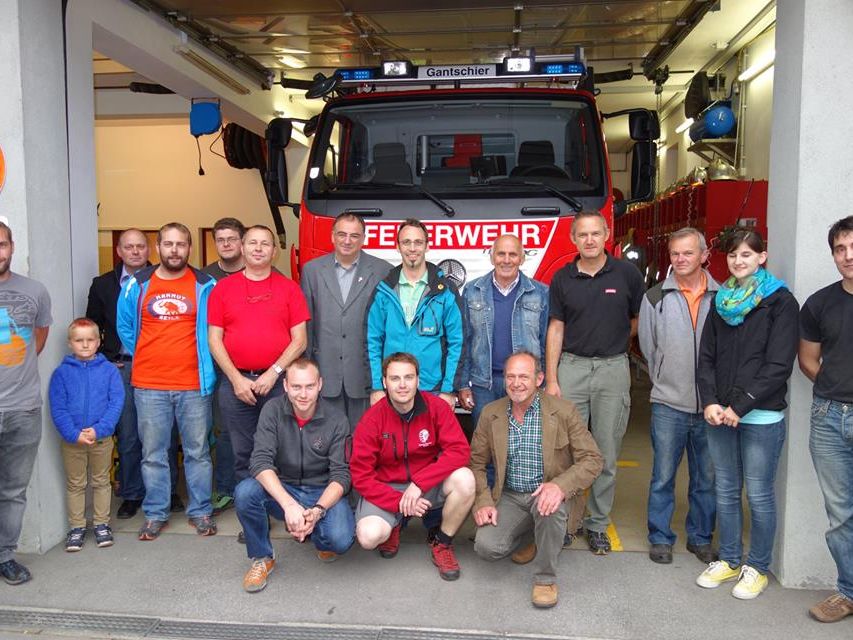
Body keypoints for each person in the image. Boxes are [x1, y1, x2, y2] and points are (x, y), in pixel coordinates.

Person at [695, 227, 798, 600]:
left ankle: (757, 567)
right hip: (720, 414)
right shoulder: (722, 300)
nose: (739, 261)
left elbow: (778, 364)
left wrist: (742, 405)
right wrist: (710, 401)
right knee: (725, 490)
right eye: (733, 255)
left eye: (747, 254)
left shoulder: (780, 302)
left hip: (760, 416)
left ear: (762, 256)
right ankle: (730, 559)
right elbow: (706, 358)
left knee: (758, 494)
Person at [544, 210, 645, 554]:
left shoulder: (627, 274)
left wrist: (614, 341)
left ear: (607, 236)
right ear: (573, 239)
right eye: (582, 235)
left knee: (605, 451)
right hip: (571, 369)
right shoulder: (562, 278)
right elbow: (555, 328)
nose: (589, 240)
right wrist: (553, 378)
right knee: (566, 452)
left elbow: (637, 320)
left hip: (612, 371)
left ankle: (597, 524)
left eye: (595, 234)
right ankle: (568, 521)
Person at [470, 351, 603, 608]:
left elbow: (592, 459)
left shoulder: (563, 411)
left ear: (539, 379)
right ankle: (535, 536)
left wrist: (559, 486)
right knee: (487, 548)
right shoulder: (491, 413)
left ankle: (545, 578)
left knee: (549, 507)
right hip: (510, 495)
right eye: (510, 376)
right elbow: (476, 464)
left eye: (523, 376)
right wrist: (483, 502)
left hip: (546, 491)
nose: (516, 383)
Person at [117, 222, 218, 541]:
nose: (175, 250)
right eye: (168, 244)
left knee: (197, 452)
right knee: (153, 453)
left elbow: (215, 330)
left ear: (190, 248)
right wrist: (149, 355)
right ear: (158, 247)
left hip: (194, 385)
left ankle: (201, 510)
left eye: (181, 244)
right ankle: (156, 512)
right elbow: (126, 327)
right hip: (149, 385)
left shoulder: (206, 284)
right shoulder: (137, 283)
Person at [351, 352, 475, 581]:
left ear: (418, 380)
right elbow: (361, 476)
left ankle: (442, 542)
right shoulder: (372, 419)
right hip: (387, 489)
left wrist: (419, 484)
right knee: (368, 537)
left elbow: (459, 451)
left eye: (408, 377)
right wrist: (398, 501)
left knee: (465, 479)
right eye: (395, 378)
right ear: (384, 382)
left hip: (426, 483)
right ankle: (395, 522)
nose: (402, 385)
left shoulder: (436, 407)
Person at [234, 358, 354, 593]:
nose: (303, 394)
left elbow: (341, 475)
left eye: (309, 386)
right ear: (286, 386)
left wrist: (318, 511)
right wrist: (289, 505)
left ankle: (316, 533)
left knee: (339, 540)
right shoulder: (272, 410)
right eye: (296, 387)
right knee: (245, 492)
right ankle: (262, 557)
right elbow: (259, 461)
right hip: (284, 488)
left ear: (320, 384)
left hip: (321, 490)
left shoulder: (337, 419)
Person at [86, 228, 181, 520]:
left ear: (149, 249)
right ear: (119, 251)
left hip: (161, 366)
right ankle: (131, 493)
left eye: (141, 246)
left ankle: (169, 491)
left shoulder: (164, 280)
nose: (136, 252)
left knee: (164, 434)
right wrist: (105, 360)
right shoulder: (102, 285)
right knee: (128, 434)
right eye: (129, 247)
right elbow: (91, 327)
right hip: (123, 367)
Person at [638, 228, 718, 565]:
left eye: (687, 253)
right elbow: (648, 346)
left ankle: (700, 538)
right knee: (663, 476)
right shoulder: (655, 297)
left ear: (704, 255)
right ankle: (660, 537)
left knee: (706, 479)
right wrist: (663, 377)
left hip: (712, 407)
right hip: (669, 403)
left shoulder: (724, 296)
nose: (680, 260)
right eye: (675, 254)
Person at [208, 225, 309, 489]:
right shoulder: (223, 289)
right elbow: (214, 340)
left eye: (265, 244)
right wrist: (236, 379)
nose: (258, 248)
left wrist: (273, 372)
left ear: (274, 252)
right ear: (243, 248)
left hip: (277, 384)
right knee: (242, 453)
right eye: (252, 243)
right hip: (236, 385)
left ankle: (284, 508)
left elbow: (300, 341)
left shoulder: (289, 289)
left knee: (280, 450)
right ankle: (252, 515)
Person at [798, 215, 853, 622]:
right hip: (829, 417)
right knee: (841, 513)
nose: (848, 256)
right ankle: (848, 592)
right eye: (840, 249)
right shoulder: (819, 303)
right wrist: (836, 385)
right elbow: (807, 360)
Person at [301, 213, 391, 429]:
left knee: (365, 438)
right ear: (332, 236)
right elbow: (307, 324)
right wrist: (307, 369)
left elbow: (388, 326)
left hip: (364, 373)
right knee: (327, 438)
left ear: (363, 239)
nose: (347, 240)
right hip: (325, 371)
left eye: (354, 235)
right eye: (342, 234)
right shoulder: (312, 271)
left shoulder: (383, 270)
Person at [0, 220, 52, 586]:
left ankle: (6, 556)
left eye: (1, 244)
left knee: (13, 491)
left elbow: (39, 339)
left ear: (12, 246)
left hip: (22, 408)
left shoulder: (35, 291)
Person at [366, 219, 463, 408]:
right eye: (406, 242)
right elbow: (372, 341)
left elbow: (457, 342)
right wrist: (377, 387)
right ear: (397, 246)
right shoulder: (384, 290)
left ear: (427, 246)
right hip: (392, 389)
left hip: (432, 390)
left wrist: (448, 390)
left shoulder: (445, 291)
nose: (412, 248)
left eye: (418, 242)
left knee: (430, 439)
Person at [48, 318, 124, 551]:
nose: (84, 345)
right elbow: (57, 407)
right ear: (70, 343)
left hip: (101, 439)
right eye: (79, 340)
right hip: (73, 441)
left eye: (90, 340)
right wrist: (73, 433)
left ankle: (102, 523)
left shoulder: (110, 371)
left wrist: (100, 429)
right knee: (76, 484)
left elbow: (116, 402)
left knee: (101, 481)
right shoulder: (61, 374)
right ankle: (77, 526)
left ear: (99, 342)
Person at [458, 234, 549, 428]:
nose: (506, 260)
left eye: (513, 254)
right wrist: (464, 384)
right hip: (484, 385)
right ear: (492, 257)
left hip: (525, 384)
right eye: (501, 254)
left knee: (525, 446)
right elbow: (465, 341)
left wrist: (545, 381)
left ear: (522, 259)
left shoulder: (541, 293)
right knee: (487, 449)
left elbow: (545, 342)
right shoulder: (472, 290)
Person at [201, 217, 246, 513]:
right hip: (217, 368)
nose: (226, 244)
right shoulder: (203, 278)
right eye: (221, 240)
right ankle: (226, 488)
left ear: (242, 242)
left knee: (258, 432)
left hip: (259, 369)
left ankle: (258, 492)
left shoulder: (263, 273)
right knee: (223, 431)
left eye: (232, 239)